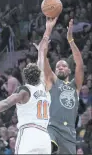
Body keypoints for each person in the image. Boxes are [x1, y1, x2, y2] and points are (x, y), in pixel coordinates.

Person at [0, 17, 57, 154]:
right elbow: (41, 65)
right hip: (44, 136)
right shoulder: (44, 88)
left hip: (29, 134)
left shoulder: (24, 91)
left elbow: (5, 103)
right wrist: (47, 32)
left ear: (25, 76)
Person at [34, 19, 84, 154]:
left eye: (64, 65)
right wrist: (47, 32)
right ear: (55, 71)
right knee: (47, 146)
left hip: (69, 133)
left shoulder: (75, 85)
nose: (60, 67)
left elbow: (79, 64)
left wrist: (71, 40)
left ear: (69, 71)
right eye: (58, 66)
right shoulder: (52, 82)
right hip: (53, 127)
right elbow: (43, 61)